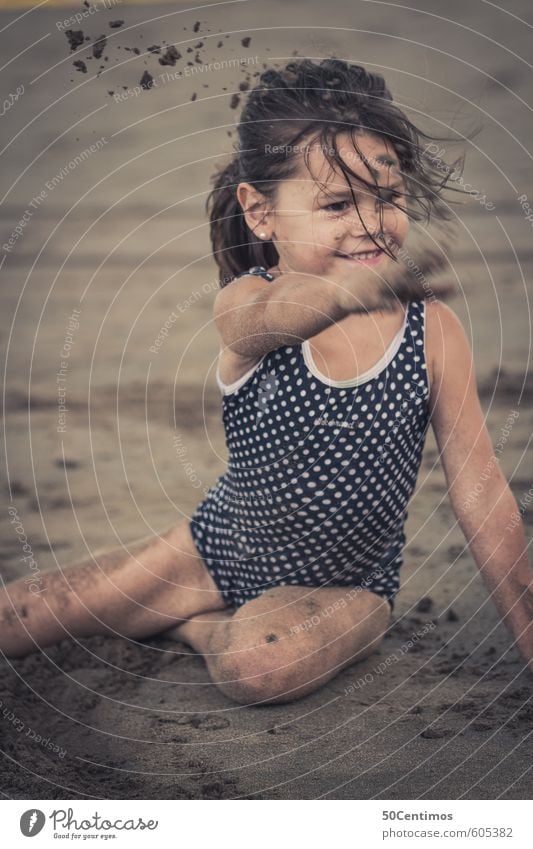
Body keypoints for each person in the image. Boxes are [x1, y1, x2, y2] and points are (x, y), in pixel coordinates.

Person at [2, 59, 531, 705]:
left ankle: (199, 630)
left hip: (347, 584)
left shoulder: (432, 332)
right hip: (215, 545)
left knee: (261, 666)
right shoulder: (249, 302)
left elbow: (481, 497)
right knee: (20, 616)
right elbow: (269, 320)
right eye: (337, 204)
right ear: (259, 212)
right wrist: (354, 291)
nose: (371, 224)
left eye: (387, 198)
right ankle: (188, 609)